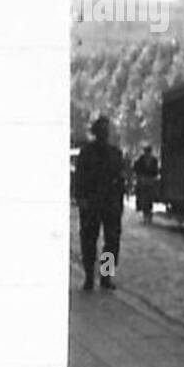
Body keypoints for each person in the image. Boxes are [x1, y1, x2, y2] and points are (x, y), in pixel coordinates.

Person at [74, 115, 125, 291]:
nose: (105, 133)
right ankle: (89, 276)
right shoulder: (86, 153)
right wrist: (81, 198)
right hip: (91, 203)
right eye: (102, 129)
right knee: (89, 241)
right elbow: (79, 178)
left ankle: (106, 276)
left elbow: (120, 180)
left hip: (110, 204)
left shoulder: (115, 154)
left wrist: (119, 203)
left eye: (106, 129)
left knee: (111, 242)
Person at [132, 144, 160, 224]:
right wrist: (139, 176)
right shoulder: (140, 160)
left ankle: (149, 215)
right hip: (142, 181)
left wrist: (153, 177)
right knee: (143, 199)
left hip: (150, 182)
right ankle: (145, 215)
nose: (147, 153)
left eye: (148, 152)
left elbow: (156, 171)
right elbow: (135, 168)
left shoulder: (154, 160)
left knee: (150, 199)